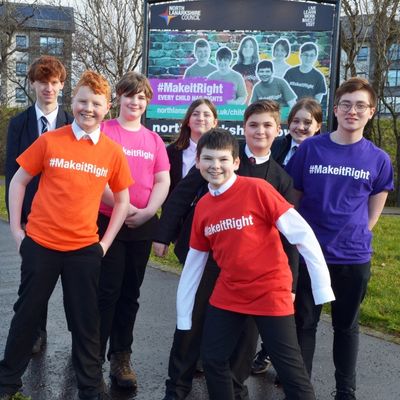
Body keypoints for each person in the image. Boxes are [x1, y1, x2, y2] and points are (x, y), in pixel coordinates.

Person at [153, 100, 316, 400]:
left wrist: (291, 282)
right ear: (244, 128)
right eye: (253, 125)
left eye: (267, 125)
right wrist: (163, 235)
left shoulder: (280, 177)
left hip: (258, 274)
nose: (260, 131)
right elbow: (181, 196)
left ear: (277, 130)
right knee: (192, 323)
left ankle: (236, 389)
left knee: (246, 338)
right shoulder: (220, 152)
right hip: (211, 258)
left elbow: (291, 234)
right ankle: (177, 387)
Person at [0, 70, 133, 400]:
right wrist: (17, 230)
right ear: (72, 101)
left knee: (86, 322)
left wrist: (104, 244)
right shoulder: (50, 140)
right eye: (83, 101)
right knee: (26, 317)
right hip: (41, 245)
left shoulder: (112, 152)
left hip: (84, 250)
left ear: (108, 109)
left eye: (97, 103)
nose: (89, 108)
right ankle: (6, 384)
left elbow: (123, 200)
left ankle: (90, 388)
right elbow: (18, 182)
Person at [286, 77, 394, 400]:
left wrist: (353, 235)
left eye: (361, 105)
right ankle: (300, 389)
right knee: (304, 324)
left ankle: (345, 390)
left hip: (353, 257)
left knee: (346, 327)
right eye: (346, 104)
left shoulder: (379, 159)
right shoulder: (311, 149)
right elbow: (294, 199)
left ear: (371, 111)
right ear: (335, 109)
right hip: (310, 254)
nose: (352, 111)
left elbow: (374, 212)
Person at [97, 71, 170, 389]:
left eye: (141, 97)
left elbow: (162, 180)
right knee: (106, 292)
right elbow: (95, 175)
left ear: (147, 102)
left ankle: (121, 358)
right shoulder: (104, 131)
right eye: (130, 95)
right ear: (120, 98)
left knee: (130, 294)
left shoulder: (153, 140)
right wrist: (121, 207)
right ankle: (91, 356)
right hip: (105, 221)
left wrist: (150, 211)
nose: (135, 101)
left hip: (140, 226)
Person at [4, 55, 73, 354]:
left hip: (69, 213)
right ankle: (36, 332)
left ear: (62, 85)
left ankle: (80, 339)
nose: (49, 88)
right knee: (34, 278)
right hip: (34, 215)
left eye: (55, 83)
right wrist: (15, 222)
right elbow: (12, 173)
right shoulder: (19, 124)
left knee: (75, 281)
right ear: (32, 83)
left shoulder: (72, 122)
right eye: (43, 82)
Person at [251, 97, 323, 375]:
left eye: (308, 122)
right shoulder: (277, 147)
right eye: (296, 121)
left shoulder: (321, 152)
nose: (301, 127)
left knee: (300, 304)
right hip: (272, 235)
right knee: (274, 300)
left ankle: (292, 368)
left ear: (318, 126)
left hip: (304, 232)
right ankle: (266, 352)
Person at [166, 98, 218, 196]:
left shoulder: (223, 153)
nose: (200, 118)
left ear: (214, 123)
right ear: (188, 121)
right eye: (195, 114)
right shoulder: (171, 152)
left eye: (206, 115)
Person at [232, 36, 260, 101]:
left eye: (251, 47)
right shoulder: (235, 68)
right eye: (245, 46)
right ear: (241, 49)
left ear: (254, 50)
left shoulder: (258, 67)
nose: (247, 49)